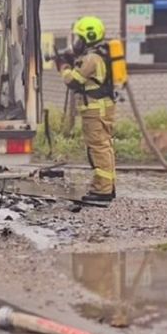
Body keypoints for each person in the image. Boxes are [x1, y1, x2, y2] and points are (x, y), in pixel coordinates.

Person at [58, 16, 116, 203]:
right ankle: (107, 187)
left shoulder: (92, 58)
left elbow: (73, 81)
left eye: (79, 38)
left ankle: (102, 191)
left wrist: (63, 66)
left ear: (88, 37)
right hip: (100, 109)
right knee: (103, 148)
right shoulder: (97, 54)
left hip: (95, 110)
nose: (77, 43)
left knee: (98, 149)